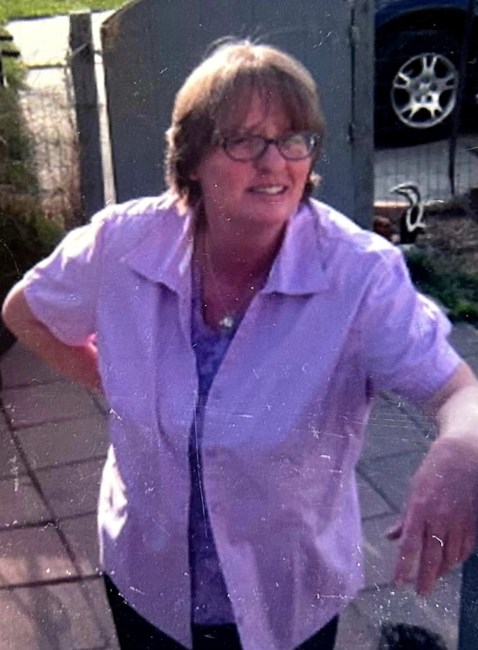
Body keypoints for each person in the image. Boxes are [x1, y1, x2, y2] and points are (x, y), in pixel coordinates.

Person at [3, 40, 478, 650]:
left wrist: (462, 450)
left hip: (287, 595)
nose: (274, 162)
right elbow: (25, 312)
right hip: (148, 578)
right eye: (245, 140)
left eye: (293, 139)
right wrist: (109, 379)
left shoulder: (358, 275)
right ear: (192, 158)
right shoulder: (122, 244)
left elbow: (457, 393)